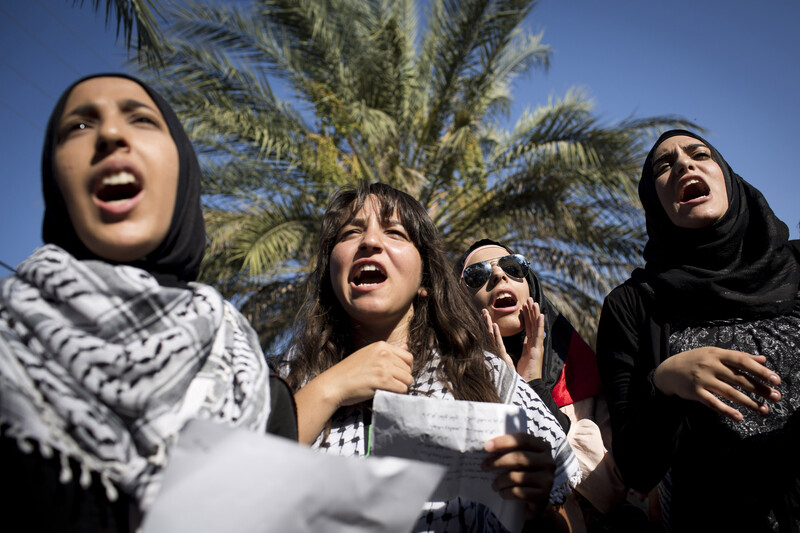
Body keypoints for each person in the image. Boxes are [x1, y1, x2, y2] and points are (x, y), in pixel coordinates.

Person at [0, 74, 296, 532]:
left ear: (183, 170)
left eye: (141, 119)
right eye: (78, 127)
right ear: (54, 181)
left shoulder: (254, 388)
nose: (111, 135)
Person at [280, 182, 581, 531]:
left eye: (395, 232)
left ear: (425, 277)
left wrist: (536, 508)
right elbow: (240, 489)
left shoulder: (485, 376)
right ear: (330, 273)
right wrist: (332, 388)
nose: (370, 242)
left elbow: (566, 510)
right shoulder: (290, 378)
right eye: (350, 233)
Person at [596, 130, 800, 532]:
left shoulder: (798, 265)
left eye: (699, 154)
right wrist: (665, 383)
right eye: (663, 165)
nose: (684, 165)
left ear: (727, 176)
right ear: (654, 201)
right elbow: (637, 468)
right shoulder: (632, 304)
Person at [456, 241, 631, 530]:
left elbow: (607, 488)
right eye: (478, 275)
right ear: (460, 303)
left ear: (531, 287)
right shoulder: (448, 385)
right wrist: (507, 391)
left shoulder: (578, 375)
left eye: (513, 267)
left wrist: (535, 390)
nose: (499, 277)